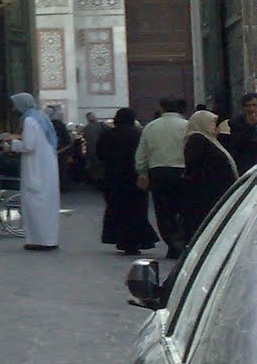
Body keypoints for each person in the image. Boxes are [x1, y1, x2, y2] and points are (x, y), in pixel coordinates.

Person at [135, 97, 189, 257]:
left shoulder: (151, 127)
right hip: (182, 171)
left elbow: (142, 153)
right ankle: (181, 240)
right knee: (183, 209)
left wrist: (142, 173)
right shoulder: (186, 126)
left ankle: (171, 244)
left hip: (158, 172)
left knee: (163, 211)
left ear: (162, 108)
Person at [96, 108, 155, 255]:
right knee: (136, 210)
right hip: (133, 177)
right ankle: (134, 241)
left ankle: (119, 238)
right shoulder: (137, 134)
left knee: (117, 209)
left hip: (112, 177)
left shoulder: (107, 134)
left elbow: (99, 154)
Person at [8, 92, 61, 249]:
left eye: (15, 105)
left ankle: (39, 241)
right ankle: (49, 239)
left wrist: (12, 144)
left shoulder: (30, 120)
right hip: (46, 168)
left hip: (36, 168)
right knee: (47, 205)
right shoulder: (41, 117)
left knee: (35, 203)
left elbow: (29, 146)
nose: (14, 109)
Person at [182, 108, 239, 242]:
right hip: (208, 192)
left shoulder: (206, 139)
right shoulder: (197, 139)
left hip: (214, 190)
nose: (215, 126)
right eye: (212, 122)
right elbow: (194, 166)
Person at [224, 92, 257, 175]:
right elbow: (236, 142)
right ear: (244, 108)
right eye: (248, 106)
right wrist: (250, 126)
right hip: (245, 161)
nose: (252, 109)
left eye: (254, 105)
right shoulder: (236, 122)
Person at [83, 111, 106, 187]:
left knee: (94, 166)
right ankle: (99, 181)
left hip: (91, 149)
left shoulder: (87, 128)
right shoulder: (101, 125)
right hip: (99, 149)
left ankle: (95, 181)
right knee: (99, 166)